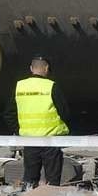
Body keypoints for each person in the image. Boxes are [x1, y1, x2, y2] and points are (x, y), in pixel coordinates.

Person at [14, 55, 71, 187]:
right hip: (50, 140)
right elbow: (64, 112)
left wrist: (19, 130)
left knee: (29, 177)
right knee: (52, 179)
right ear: (46, 68)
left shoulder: (19, 86)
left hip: (29, 140)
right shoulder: (51, 86)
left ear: (31, 68)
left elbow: (9, 113)